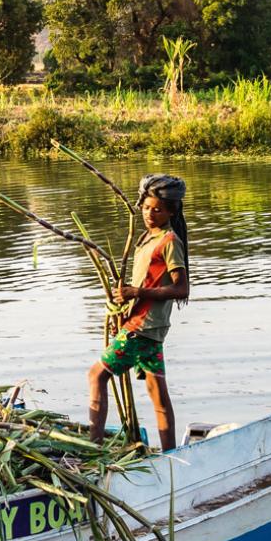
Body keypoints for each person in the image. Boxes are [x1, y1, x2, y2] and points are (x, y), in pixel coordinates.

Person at [88, 174, 191, 451]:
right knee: (157, 394)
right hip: (145, 327)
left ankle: (94, 449)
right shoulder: (147, 238)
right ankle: (170, 455)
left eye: (157, 209)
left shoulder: (169, 241)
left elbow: (181, 289)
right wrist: (124, 313)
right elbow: (146, 280)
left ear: (171, 212)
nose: (149, 214)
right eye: (146, 207)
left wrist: (136, 292)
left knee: (96, 375)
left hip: (143, 328)